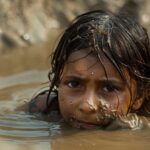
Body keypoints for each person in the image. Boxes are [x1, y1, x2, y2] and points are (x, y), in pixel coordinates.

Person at [19, 10, 150, 130]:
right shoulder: (44, 108)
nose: (87, 106)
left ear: (139, 96)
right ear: (59, 80)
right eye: (74, 84)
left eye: (109, 88)